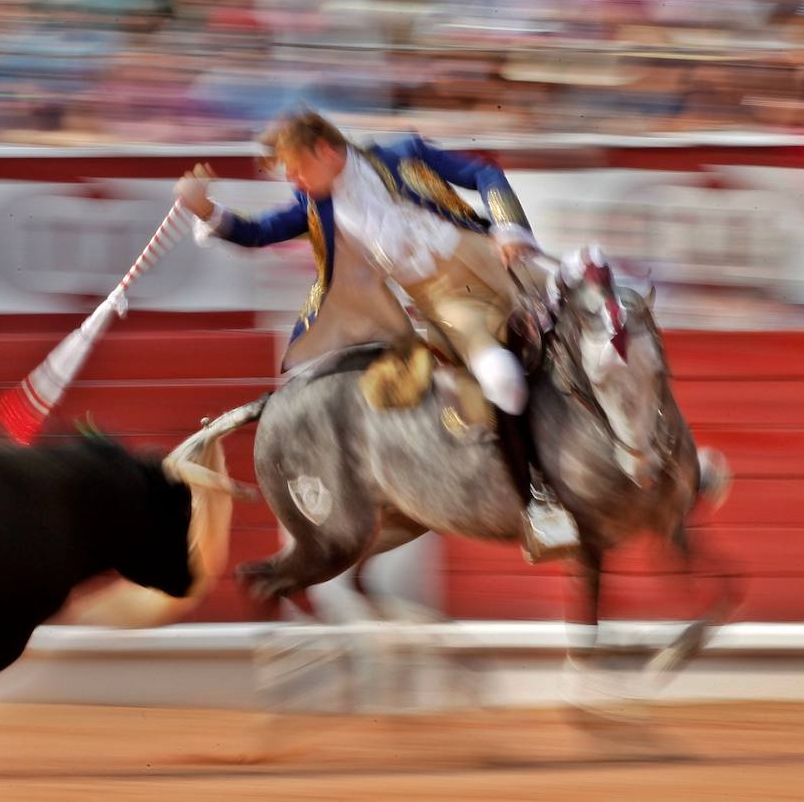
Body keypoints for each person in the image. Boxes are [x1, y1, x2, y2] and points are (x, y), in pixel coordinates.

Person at [174, 109, 577, 562]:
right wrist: (205, 209)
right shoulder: (317, 208)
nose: (294, 179)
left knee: (603, 302)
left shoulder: (404, 154)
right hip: (453, 306)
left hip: (497, 259)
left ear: (326, 151)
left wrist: (507, 225)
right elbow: (258, 231)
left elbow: (483, 174)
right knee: (502, 380)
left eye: (297, 167)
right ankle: (540, 503)